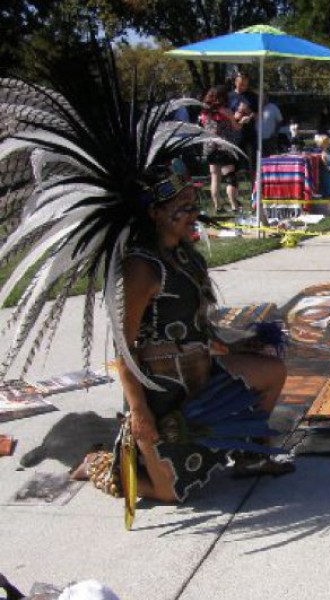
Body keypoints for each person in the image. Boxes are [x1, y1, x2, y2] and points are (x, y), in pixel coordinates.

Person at [0, 52, 295, 508]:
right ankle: (97, 461)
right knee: (169, 494)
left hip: (204, 374)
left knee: (272, 371)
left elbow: (200, 327)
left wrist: (235, 346)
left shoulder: (185, 258)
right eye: (183, 211)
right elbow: (123, 347)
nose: (193, 217)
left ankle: (247, 454)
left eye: (195, 208)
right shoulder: (142, 267)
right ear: (156, 214)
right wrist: (139, 412)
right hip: (164, 391)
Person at [199, 85, 241, 214]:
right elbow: (236, 127)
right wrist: (242, 120)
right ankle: (234, 205)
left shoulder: (204, 112)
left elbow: (203, 125)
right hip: (224, 146)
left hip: (210, 147)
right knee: (230, 177)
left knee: (215, 177)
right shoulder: (226, 111)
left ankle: (217, 206)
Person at [228, 72, 259, 174]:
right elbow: (224, 116)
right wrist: (234, 116)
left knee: (253, 165)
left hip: (250, 134)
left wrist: (248, 111)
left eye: (245, 84)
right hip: (234, 135)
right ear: (235, 82)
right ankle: (234, 187)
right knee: (234, 165)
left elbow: (258, 116)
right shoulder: (229, 96)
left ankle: (254, 187)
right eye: (241, 84)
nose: (243, 87)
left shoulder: (253, 96)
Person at [261, 92, 283, 157]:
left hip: (270, 138)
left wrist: (275, 133)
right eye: (261, 97)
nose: (263, 98)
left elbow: (280, 121)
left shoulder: (273, 107)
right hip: (257, 139)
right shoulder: (255, 107)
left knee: (271, 157)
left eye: (264, 97)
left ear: (267, 97)